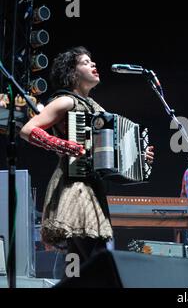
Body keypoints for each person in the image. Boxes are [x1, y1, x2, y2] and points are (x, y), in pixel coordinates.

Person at [19, 46, 155, 265]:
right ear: (72, 73)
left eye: (92, 61)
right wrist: (64, 145)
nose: (93, 65)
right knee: (93, 256)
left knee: (86, 261)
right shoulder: (66, 101)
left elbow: (110, 152)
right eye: (85, 62)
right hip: (75, 185)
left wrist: (139, 156)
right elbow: (28, 130)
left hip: (93, 186)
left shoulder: (95, 107)